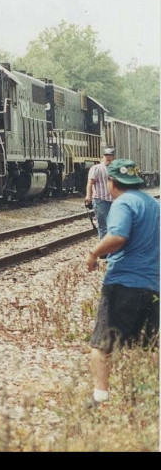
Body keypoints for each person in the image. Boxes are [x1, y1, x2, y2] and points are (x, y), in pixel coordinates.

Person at [85, 158, 160, 406]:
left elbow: (117, 236)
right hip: (154, 284)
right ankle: (147, 397)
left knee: (101, 344)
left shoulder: (122, 203)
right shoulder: (154, 204)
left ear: (111, 182)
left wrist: (94, 253)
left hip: (124, 283)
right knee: (146, 345)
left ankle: (100, 398)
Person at [85, 147, 116, 239]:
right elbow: (90, 183)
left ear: (113, 157)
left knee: (113, 224)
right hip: (100, 200)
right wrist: (88, 196)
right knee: (103, 226)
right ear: (103, 156)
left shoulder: (115, 169)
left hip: (114, 200)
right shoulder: (96, 168)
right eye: (106, 155)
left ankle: (112, 246)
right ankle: (104, 250)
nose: (108, 158)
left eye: (110, 156)